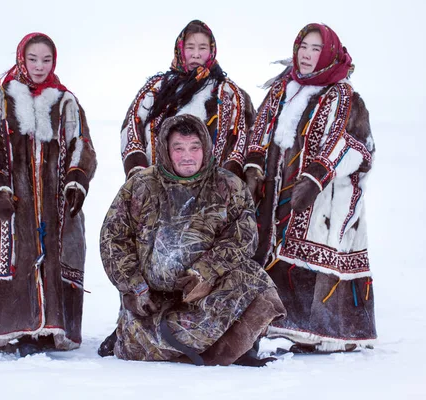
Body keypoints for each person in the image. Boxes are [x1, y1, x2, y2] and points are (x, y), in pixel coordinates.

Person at [0, 32, 97, 356]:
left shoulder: (66, 102)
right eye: (33, 59)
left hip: (53, 203)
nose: (40, 66)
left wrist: (76, 181)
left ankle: (45, 330)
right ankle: (6, 327)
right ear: (21, 59)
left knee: (50, 256)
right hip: (8, 202)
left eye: (47, 60)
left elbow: (81, 145)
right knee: (11, 255)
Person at [100, 114, 286, 366]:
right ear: (166, 150)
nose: (187, 155)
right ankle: (146, 338)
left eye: (194, 147)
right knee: (139, 344)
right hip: (154, 301)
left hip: (208, 292)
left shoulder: (228, 185)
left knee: (256, 281)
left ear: (205, 149)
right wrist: (134, 286)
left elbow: (242, 237)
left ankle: (241, 347)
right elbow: (114, 239)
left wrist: (205, 272)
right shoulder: (141, 185)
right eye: (179, 148)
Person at [244, 23, 376, 353]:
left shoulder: (344, 96)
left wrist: (317, 177)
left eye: (316, 49)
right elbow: (260, 129)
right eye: (304, 46)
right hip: (275, 193)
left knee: (310, 252)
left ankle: (319, 332)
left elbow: (354, 146)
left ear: (329, 53)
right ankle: (278, 323)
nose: (307, 54)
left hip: (325, 201)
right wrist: (253, 167)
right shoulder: (281, 90)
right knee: (273, 251)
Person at [120, 19, 255, 181]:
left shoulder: (231, 94)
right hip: (157, 192)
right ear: (181, 49)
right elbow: (132, 130)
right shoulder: (154, 90)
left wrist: (228, 181)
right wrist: (139, 174)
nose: (196, 54)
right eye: (190, 47)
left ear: (211, 51)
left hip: (213, 196)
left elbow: (241, 137)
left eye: (202, 48)